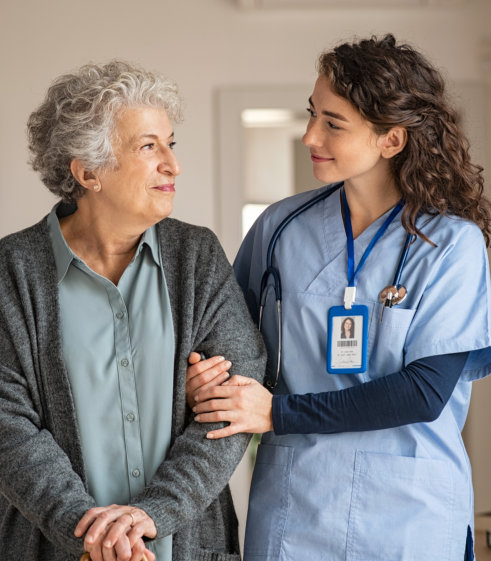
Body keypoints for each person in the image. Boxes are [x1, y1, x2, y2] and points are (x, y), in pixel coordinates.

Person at [187, 34, 491, 560]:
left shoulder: (451, 245)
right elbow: (229, 345)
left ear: (391, 140)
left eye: (333, 123)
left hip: (408, 516)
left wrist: (277, 414)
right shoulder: (280, 228)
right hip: (295, 508)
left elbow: (423, 392)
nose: (308, 135)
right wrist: (207, 376)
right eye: (312, 114)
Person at [0, 60, 265, 561]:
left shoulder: (196, 256)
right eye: (149, 147)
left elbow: (235, 400)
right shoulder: (11, 272)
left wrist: (154, 513)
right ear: (88, 172)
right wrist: (92, 537)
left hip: (186, 547)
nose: (172, 164)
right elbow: (7, 425)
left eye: (171, 143)